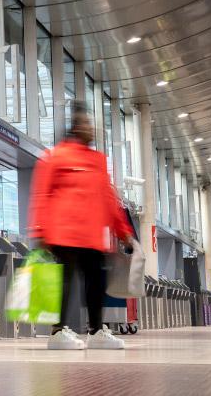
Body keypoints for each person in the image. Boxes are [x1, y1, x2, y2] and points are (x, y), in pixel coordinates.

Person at [28, 102, 134, 350]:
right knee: (64, 282)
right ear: (76, 127)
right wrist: (40, 230)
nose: (92, 129)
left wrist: (123, 232)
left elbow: (109, 198)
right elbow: (41, 193)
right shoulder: (56, 156)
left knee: (97, 281)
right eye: (87, 124)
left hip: (93, 236)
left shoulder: (97, 160)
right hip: (64, 233)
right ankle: (56, 333)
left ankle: (96, 331)